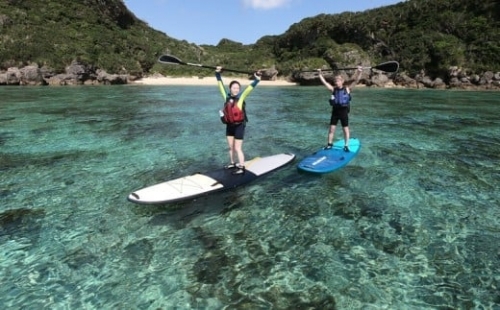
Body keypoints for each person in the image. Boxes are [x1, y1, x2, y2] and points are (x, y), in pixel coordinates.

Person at [215, 66, 261, 175]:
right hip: (229, 126)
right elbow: (220, 85)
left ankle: (242, 166)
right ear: (230, 88)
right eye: (234, 87)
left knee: (237, 148)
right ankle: (232, 163)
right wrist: (217, 73)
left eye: (237, 88)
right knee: (230, 147)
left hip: (239, 126)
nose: (236, 89)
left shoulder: (241, 98)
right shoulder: (226, 97)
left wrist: (257, 80)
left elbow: (249, 89)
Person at [317, 66, 363, 152]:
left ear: (342, 81)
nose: (336, 82)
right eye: (335, 81)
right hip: (335, 112)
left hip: (343, 112)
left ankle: (346, 145)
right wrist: (320, 74)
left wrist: (359, 72)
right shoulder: (333, 89)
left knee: (345, 129)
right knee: (331, 129)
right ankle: (329, 144)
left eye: (338, 81)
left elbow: (356, 80)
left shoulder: (347, 89)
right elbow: (324, 83)